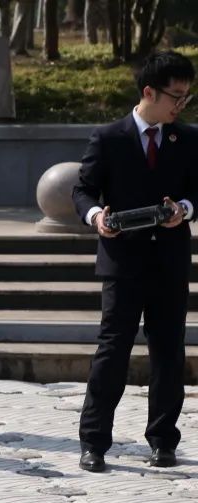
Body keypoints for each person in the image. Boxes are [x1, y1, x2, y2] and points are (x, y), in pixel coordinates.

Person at [72, 50, 196, 473]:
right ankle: (93, 442)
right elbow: (82, 191)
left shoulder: (188, 138)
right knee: (113, 350)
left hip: (169, 261)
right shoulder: (109, 137)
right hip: (122, 262)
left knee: (168, 352)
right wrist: (97, 217)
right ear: (149, 92)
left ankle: (163, 440)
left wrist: (184, 209)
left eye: (186, 97)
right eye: (175, 96)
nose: (181, 105)